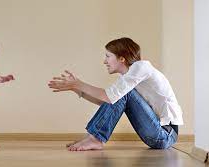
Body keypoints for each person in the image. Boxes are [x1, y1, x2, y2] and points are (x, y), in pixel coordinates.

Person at [48, 37, 183, 151]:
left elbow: (109, 97)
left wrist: (78, 83)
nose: (105, 61)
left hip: (165, 134)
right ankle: (93, 137)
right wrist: (76, 89)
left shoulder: (141, 67)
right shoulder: (129, 77)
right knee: (116, 96)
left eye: (108, 56)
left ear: (122, 58)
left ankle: (95, 138)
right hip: (157, 133)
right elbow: (107, 102)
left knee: (119, 94)